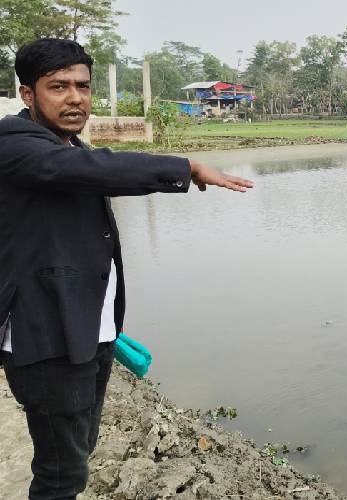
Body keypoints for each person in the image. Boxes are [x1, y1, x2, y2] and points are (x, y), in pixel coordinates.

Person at [0, 38, 254, 500]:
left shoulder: (67, 145)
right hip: (46, 339)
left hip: (87, 331)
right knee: (60, 475)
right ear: (27, 95)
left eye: (82, 86)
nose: (75, 98)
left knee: (78, 451)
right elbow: (98, 169)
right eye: (58, 87)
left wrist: (106, 326)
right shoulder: (16, 148)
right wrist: (187, 167)